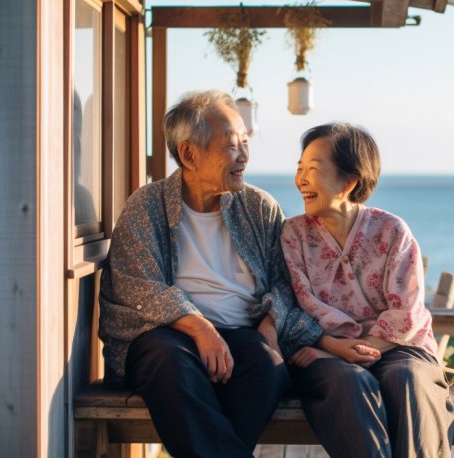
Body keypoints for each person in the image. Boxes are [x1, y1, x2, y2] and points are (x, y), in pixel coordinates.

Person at [99, 90, 324, 457]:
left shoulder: (259, 207)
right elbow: (137, 287)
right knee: (171, 366)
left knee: (269, 367)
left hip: (241, 332)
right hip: (165, 336)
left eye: (245, 143)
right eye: (232, 145)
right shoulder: (146, 204)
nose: (244, 156)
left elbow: (286, 280)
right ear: (189, 154)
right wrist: (200, 328)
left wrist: (270, 322)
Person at [281, 123, 454, 458]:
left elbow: (406, 311)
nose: (301, 179)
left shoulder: (392, 230)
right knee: (348, 383)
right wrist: (332, 346)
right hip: (325, 350)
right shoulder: (294, 235)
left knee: (408, 379)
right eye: (299, 168)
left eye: (313, 169)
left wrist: (362, 349)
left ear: (349, 182)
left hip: (397, 346)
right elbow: (298, 304)